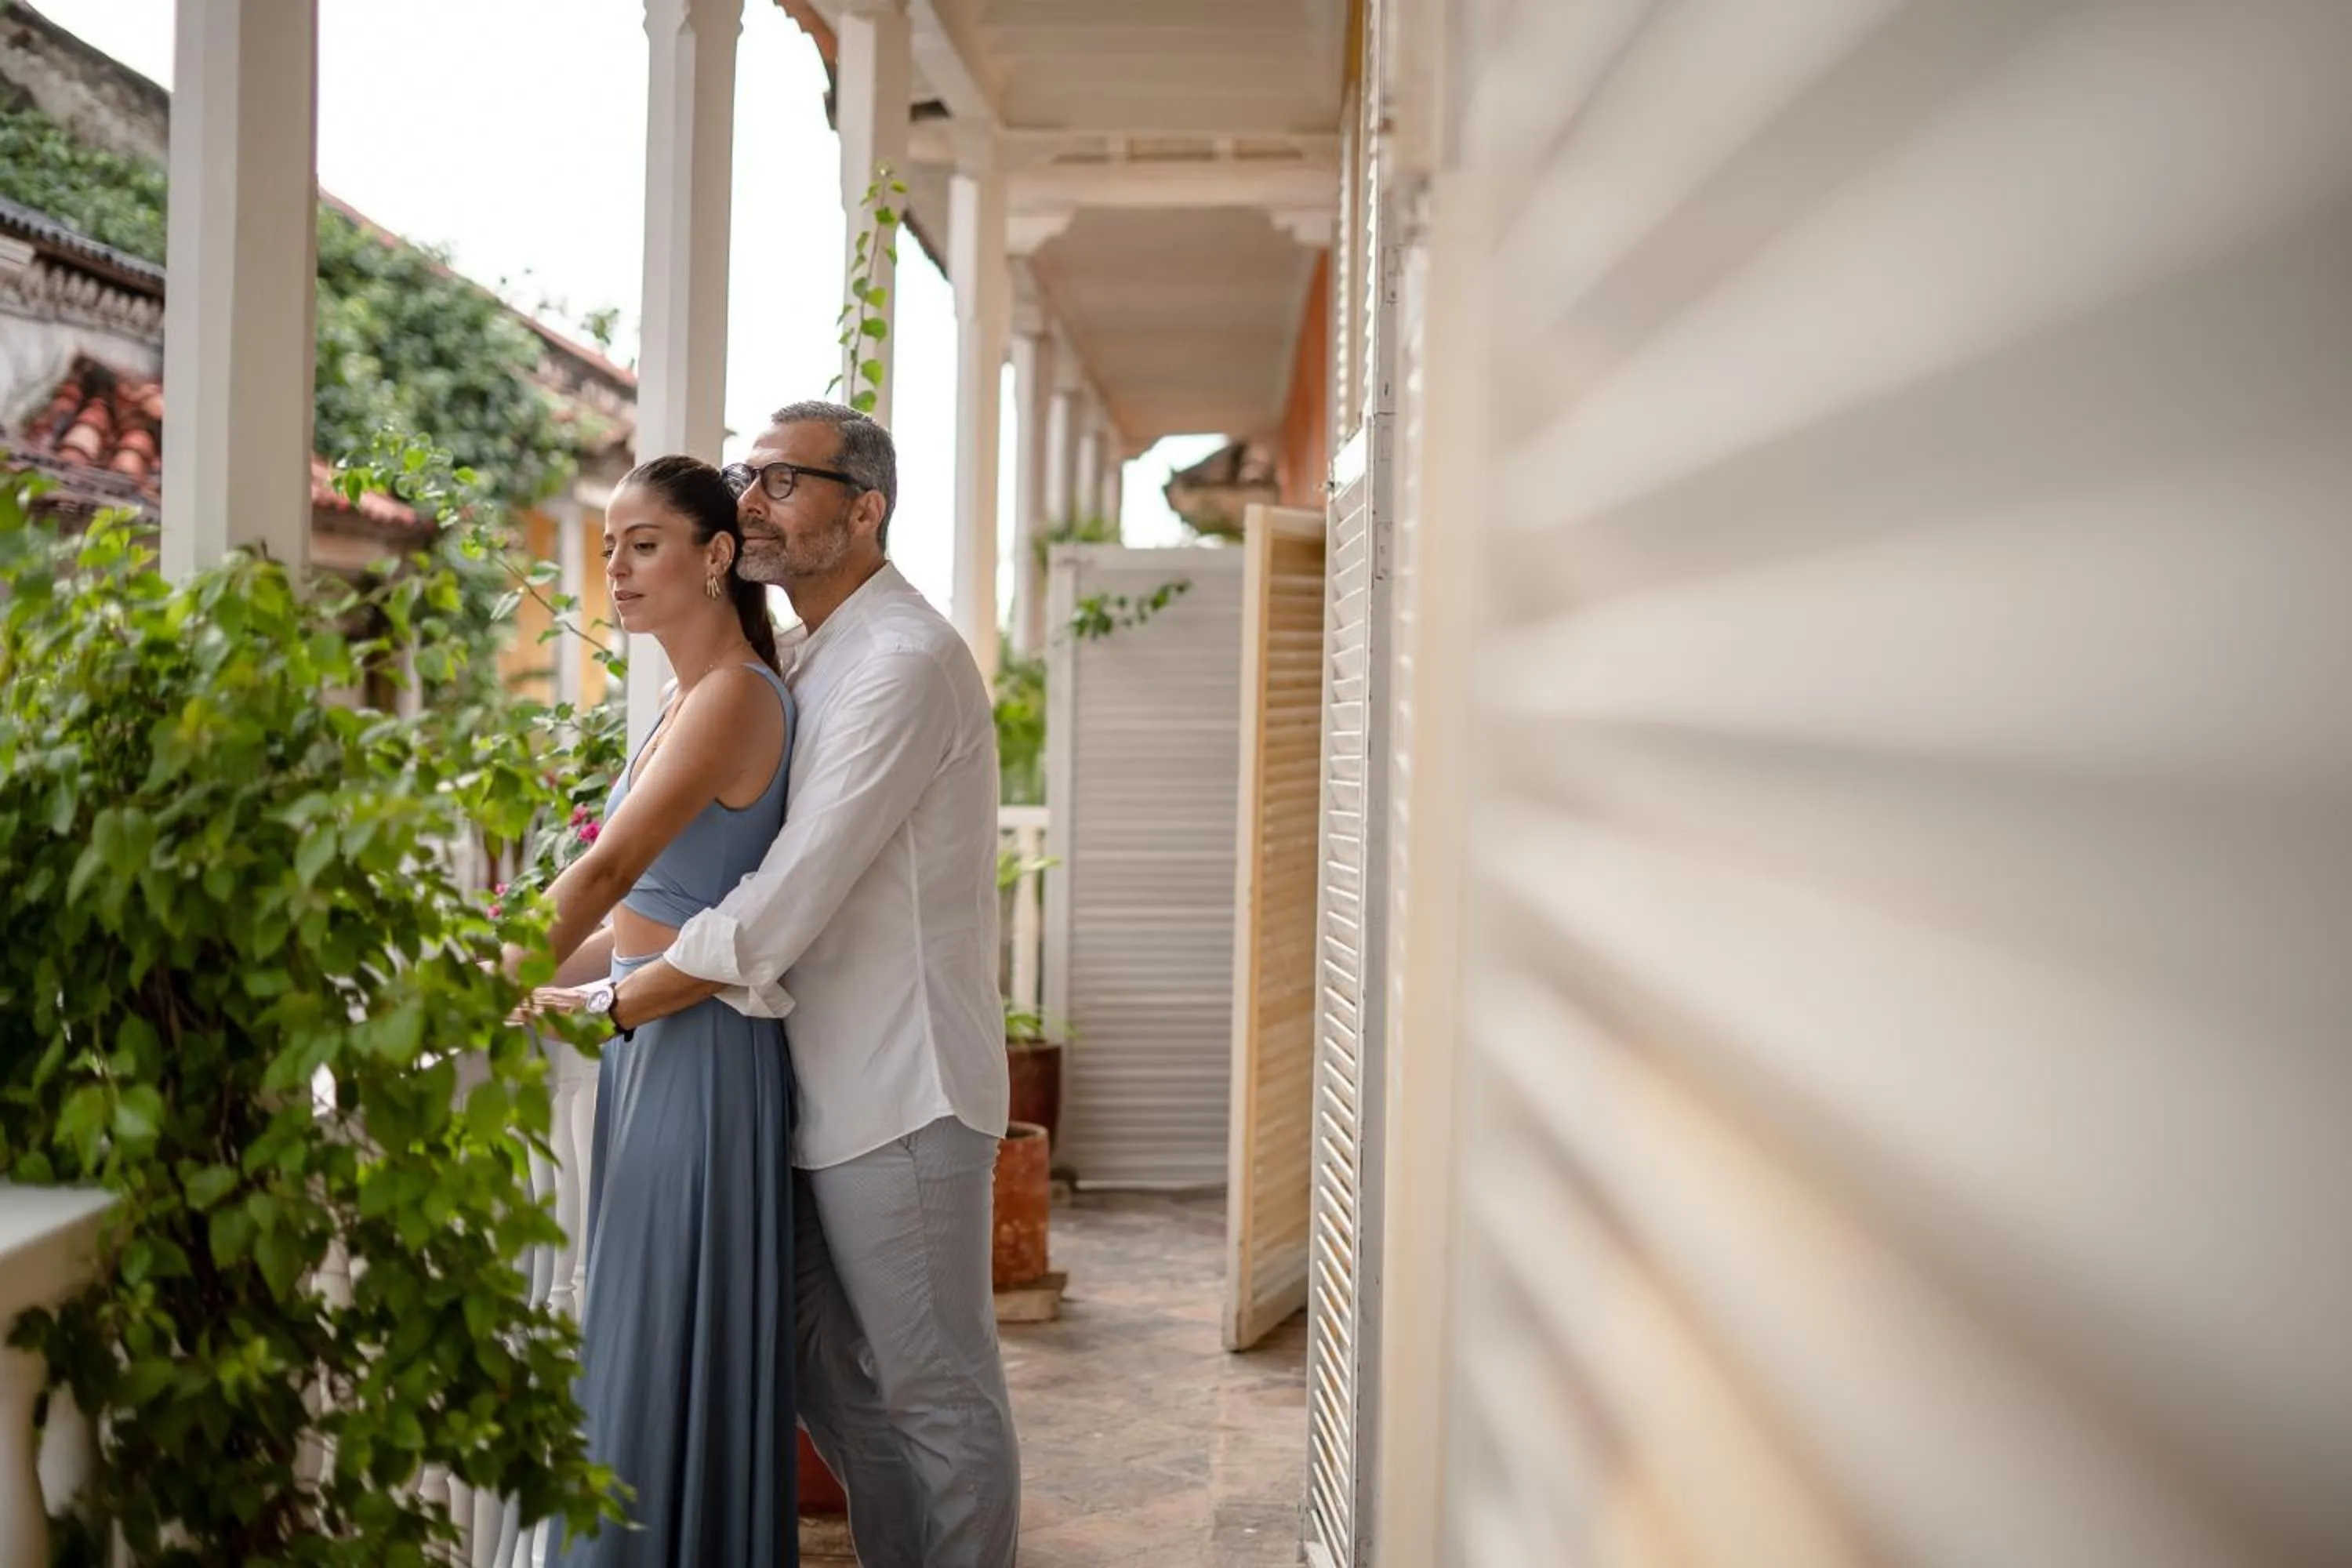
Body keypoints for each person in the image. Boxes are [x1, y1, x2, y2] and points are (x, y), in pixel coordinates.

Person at [589, 401, 1019, 1566]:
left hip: (902, 1088)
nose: (751, 499)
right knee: (829, 1385)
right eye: (745, 475)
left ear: (864, 509)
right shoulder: (805, 655)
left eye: (782, 479)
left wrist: (621, 999)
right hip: (801, 1084)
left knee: (936, 1393)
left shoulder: (904, 660)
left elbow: (790, 892)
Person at [528, 455, 800, 1568]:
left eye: (644, 545)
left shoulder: (734, 695)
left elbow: (604, 876)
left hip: (699, 1062)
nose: (618, 569)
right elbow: (639, 915)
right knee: (635, 1340)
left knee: (649, 1342)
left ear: (717, 556)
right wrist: (559, 986)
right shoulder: (686, 697)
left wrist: (464, 981)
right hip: (651, 1039)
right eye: (608, 548)